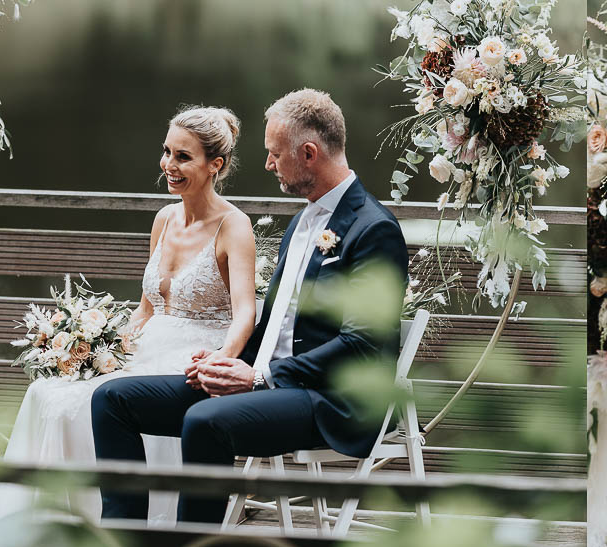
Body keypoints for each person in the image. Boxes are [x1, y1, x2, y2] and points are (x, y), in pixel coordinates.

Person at [93, 89, 411, 525]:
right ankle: (126, 544)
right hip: (268, 381)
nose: (268, 164)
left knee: (205, 421)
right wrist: (225, 360)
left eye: (275, 155)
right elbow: (279, 322)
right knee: (112, 399)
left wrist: (260, 375)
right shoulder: (302, 221)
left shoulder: (373, 229)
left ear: (308, 153)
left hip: (329, 399)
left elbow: (361, 343)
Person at [0, 107, 257, 524]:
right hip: (145, 346)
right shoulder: (164, 219)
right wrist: (99, 346)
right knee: (47, 392)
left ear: (214, 164)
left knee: (78, 405)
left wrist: (222, 360)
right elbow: (147, 307)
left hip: (192, 354)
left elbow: (245, 314)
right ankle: (38, 528)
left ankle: (102, 527)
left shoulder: (234, 227)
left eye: (183, 157)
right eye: (167, 152)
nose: (168, 165)